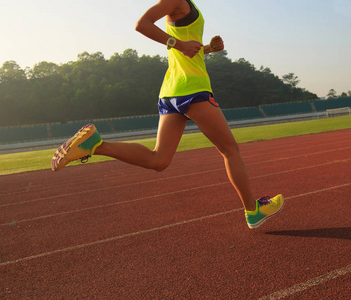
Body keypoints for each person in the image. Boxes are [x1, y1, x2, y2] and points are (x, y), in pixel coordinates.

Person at [51, 0, 284, 229]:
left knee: (159, 160)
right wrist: (178, 43)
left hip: (171, 92)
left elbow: (186, 51)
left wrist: (207, 49)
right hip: (192, 89)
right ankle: (252, 211)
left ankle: (95, 145)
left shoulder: (184, 4)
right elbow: (142, 24)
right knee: (230, 150)